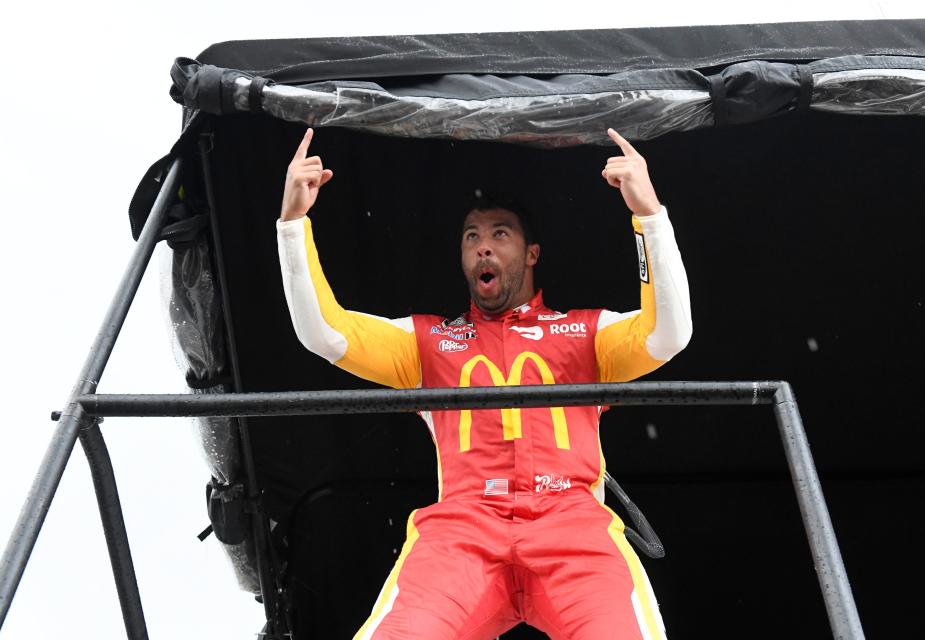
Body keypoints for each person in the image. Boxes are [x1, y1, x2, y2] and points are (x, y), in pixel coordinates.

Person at [276, 127, 692, 640]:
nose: (483, 248)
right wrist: (293, 222)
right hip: (462, 533)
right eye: (472, 237)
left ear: (532, 253)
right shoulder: (427, 341)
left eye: (499, 234)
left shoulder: (585, 332)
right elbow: (324, 333)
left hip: (574, 526)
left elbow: (668, 334)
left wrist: (648, 214)